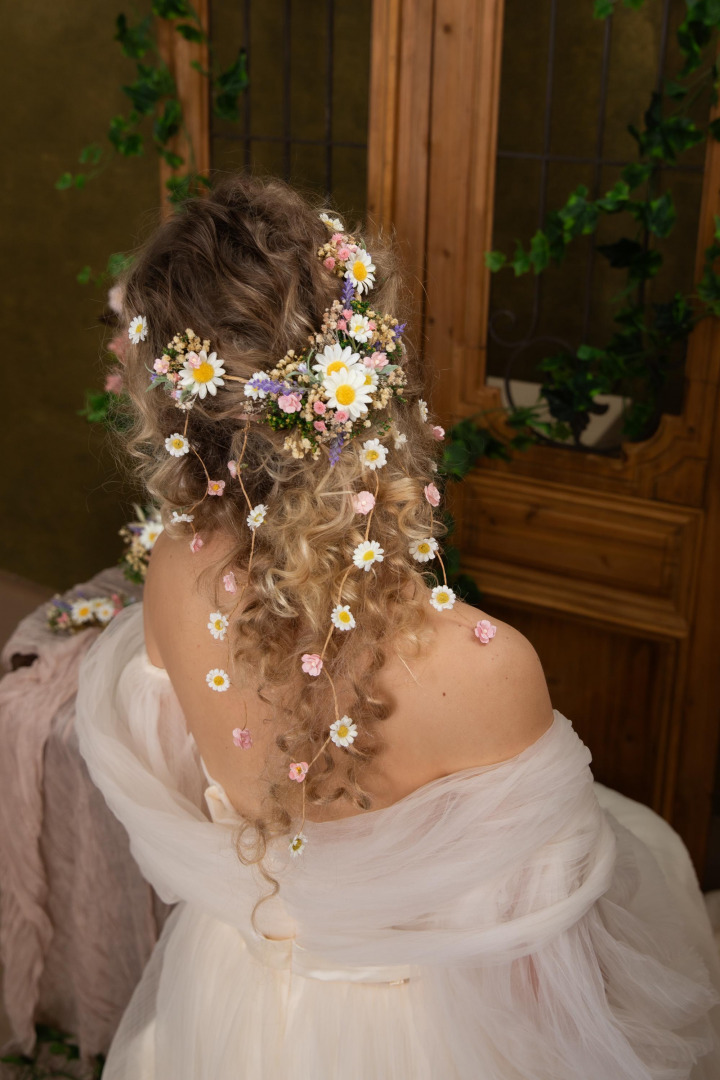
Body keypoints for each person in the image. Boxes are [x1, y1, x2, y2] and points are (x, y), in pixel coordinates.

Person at [76, 174, 720, 1079]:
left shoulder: (173, 575)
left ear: (178, 406)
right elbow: (543, 978)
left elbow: (185, 793)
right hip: (427, 1035)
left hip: (235, 989)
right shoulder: (486, 669)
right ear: (374, 377)